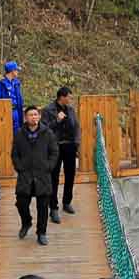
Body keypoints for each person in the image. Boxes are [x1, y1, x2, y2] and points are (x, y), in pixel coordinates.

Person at [12, 103, 60, 245]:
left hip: (42, 174)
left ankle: (42, 232)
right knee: (21, 202)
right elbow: (15, 154)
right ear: (25, 118)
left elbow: (54, 152)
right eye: (30, 115)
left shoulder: (47, 133)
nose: (34, 117)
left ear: (39, 116)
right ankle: (26, 222)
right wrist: (19, 167)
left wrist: (49, 166)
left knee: (43, 205)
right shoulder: (20, 134)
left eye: (36, 115)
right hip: (25, 174)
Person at [44, 85, 81, 217]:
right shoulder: (48, 110)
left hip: (70, 146)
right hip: (55, 146)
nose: (71, 100)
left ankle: (67, 202)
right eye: (69, 97)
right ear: (62, 97)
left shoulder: (70, 110)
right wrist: (57, 120)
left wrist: (76, 143)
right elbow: (44, 129)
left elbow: (76, 126)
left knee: (70, 175)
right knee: (53, 177)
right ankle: (53, 207)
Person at [0, 61, 25, 128]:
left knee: (17, 134)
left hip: (16, 112)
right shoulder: (0, 83)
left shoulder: (16, 83)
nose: (18, 72)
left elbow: (19, 99)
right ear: (12, 71)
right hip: (5, 113)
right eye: (16, 70)